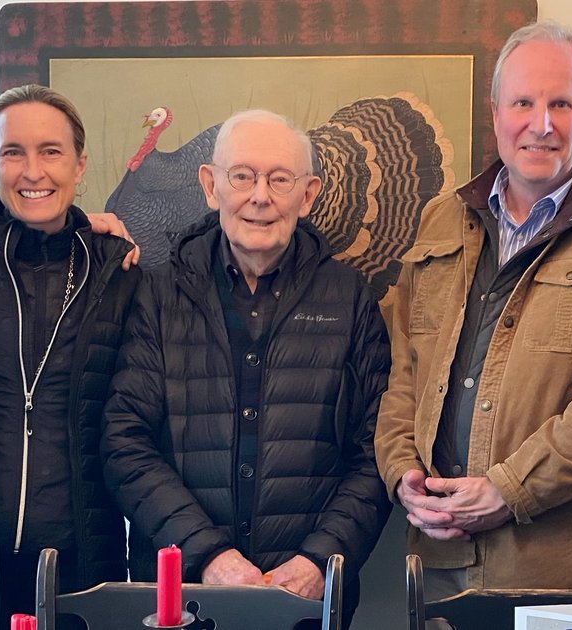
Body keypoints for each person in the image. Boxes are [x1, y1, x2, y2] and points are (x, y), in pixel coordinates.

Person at [374, 19, 572, 598]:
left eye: (562, 103)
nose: (541, 124)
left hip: (563, 572)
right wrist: (401, 473)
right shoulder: (441, 219)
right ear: (496, 115)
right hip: (437, 560)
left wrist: (508, 489)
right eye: (523, 102)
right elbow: (404, 371)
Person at [102, 109, 392, 624]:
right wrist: (207, 556)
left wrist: (320, 561)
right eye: (243, 176)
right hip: (183, 599)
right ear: (210, 187)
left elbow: (379, 450)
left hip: (309, 602)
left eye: (280, 179)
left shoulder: (350, 299)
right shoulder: (158, 294)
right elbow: (125, 442)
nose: (260, 196)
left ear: (308, 196)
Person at [0, 85, 141, 629]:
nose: (32, 170)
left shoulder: (115, 271)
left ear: (80, 164)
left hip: (83, 553)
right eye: (13, 151)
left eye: (51, 151)